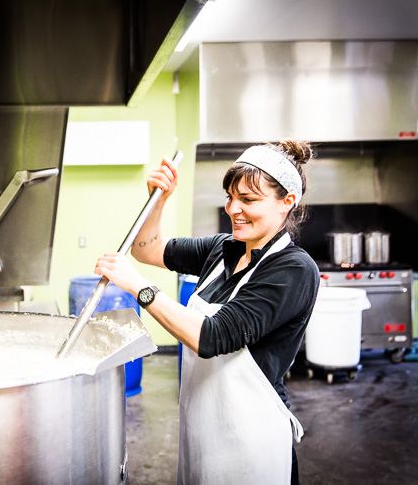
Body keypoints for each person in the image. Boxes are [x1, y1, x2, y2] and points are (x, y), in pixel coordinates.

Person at [94, 139, 319, 484]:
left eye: (248, 200)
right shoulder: (222, 249)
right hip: (202, 429)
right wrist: (159, 199)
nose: (233, 209)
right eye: (230, 197)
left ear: (286, 202)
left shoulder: (294, 269)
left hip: (251, 441)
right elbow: (147, 249)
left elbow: (212, 336)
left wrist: (139, 287)